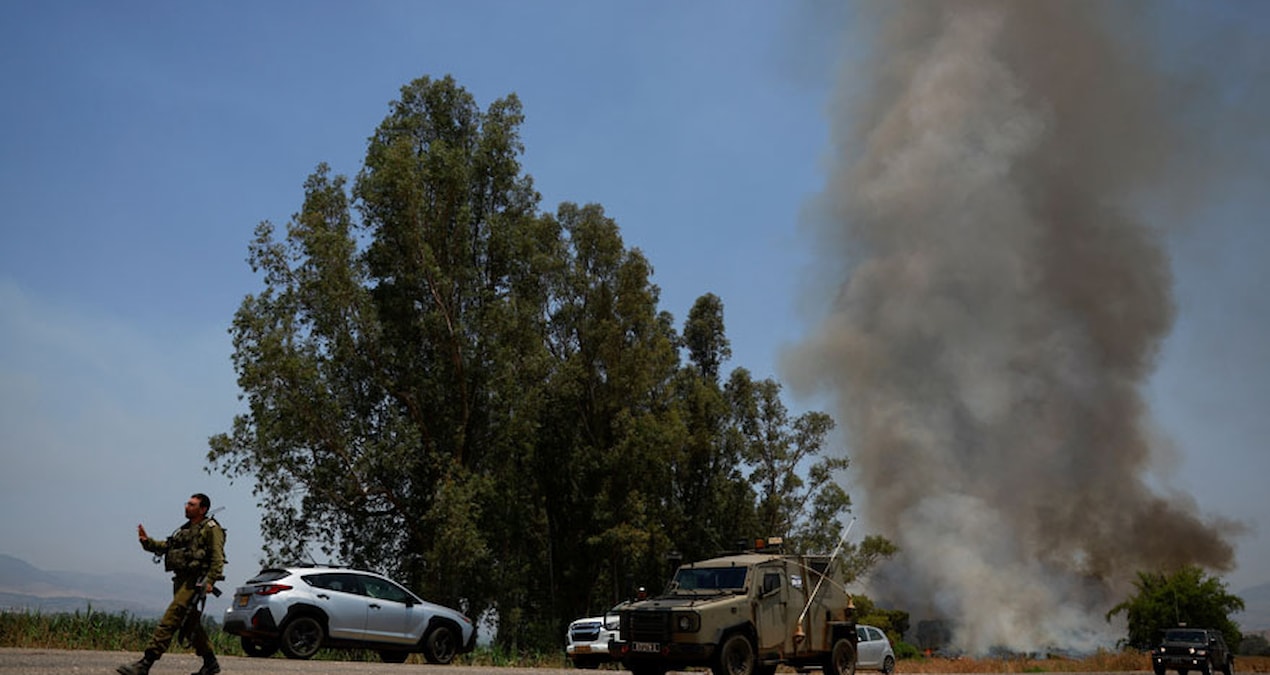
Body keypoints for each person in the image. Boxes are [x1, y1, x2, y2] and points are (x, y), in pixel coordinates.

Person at [117, 493, 226, 675]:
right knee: (190, 623)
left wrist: (211, 580)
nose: (187, 507)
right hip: (181, 580)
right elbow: (167, 546)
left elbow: (217, 557)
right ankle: (210, 663)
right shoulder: (184, 529)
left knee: (172, 617)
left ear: (203, 509)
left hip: (195, 582)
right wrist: (147, 542)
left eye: (192, 505)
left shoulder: (211, 528)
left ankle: (146, 663)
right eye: (187, 504)